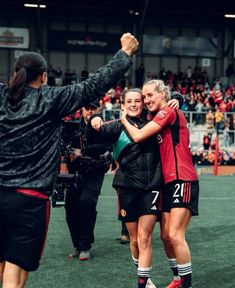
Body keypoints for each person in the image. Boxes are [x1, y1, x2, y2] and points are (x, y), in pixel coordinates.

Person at [0, 32, 139, 288]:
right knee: (15, 266)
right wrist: (124, 54)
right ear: (43, 76)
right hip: (28, 198)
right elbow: (94, 85)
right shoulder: (50, 99)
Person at [87, 88, 182, 288]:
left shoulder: (154, 120)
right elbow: (94, 135)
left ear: (142, 103)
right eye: (129, 101)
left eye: (137, 100)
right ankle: (146, 280)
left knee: (144, 237)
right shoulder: (116, 127)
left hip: (151, 187)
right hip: (127, 187)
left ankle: (142, 283)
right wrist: (93, 120)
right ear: (123, 105)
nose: (133, 104)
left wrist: (177, 98)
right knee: (134, 240)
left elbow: (166, 99)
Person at [121, 80, 199, 288]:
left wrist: (122, 119)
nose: (145, 100)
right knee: (165, 236)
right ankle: (176, 279)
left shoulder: (168, 112)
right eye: (143, 97)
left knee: (174, 234)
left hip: (182, 178)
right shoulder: (156, 115)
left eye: (149, 95)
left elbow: (137, 135)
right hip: (166, 182)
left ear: (163, 94)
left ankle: (186, 284)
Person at [65, 100, 112, 261]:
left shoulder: (103, 127)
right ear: (82, 110)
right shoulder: (72, 127)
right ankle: (78, 245)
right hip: (75, 172)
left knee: (87, 203)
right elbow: (65, 146)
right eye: (87, 108)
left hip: (94, 172)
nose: (90, 111)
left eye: (93, 108)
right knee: (70, 208)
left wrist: (82, 151)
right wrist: (71, 151)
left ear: (99, 109)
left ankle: (85, 246)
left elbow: (106, 147)